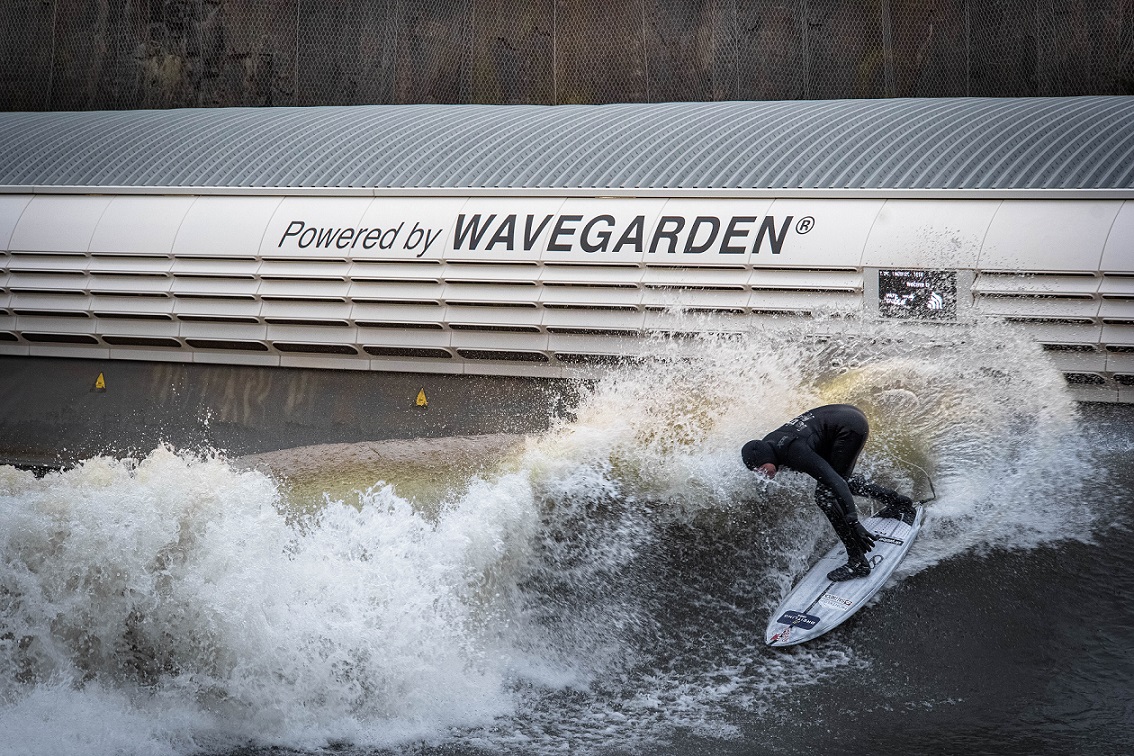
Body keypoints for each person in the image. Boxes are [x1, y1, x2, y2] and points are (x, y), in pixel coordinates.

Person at [741, 404, 917, 582]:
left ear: (767, 458)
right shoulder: (767, 446)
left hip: (849, 428)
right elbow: (836, 478)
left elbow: (836, 482)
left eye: (762, 470)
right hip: (841, 416)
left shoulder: (793, 452)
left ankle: (858, 562)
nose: (761, 475)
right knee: (839, 481)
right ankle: (899, 502)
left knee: (826, 495)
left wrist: (853, 520)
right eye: (756, 471)